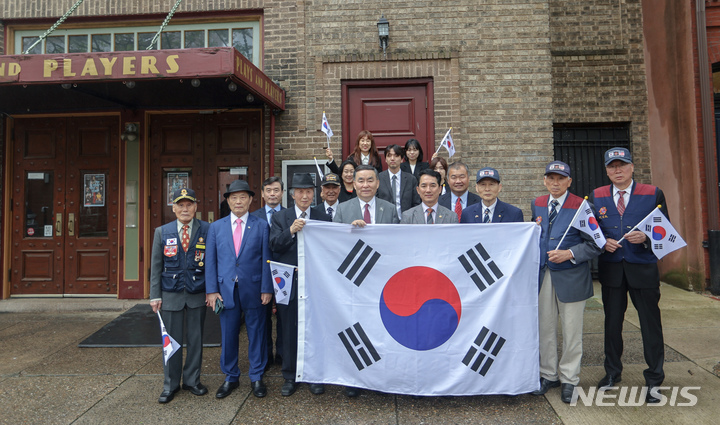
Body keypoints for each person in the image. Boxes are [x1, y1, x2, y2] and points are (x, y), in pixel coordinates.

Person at [589, 147, 668, 403]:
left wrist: (646, 237)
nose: (617, 170)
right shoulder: (596, 196)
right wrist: (602, 243)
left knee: (650, 326)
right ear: (607, 170)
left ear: (632, 167)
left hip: (642, 268)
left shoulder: (652, 193)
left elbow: (665, 232)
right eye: (612, 166)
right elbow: (591, 231)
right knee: (612, 325)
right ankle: (612, 373)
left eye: (622, 165)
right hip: (612, 269)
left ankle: (654, 379)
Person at [529, 160, 601, 404]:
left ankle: (570, 378)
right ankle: (548, 374)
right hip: (543, 275)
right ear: (544, 180)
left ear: (569, 181)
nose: (555, 183)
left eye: (560, 179)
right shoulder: (538, 203)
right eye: (551, 178)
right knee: (545, 329)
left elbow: (595, 244)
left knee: (571, 332)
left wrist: (569, 254)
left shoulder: (581, 206)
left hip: (571, 276)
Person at [205, 180, 273, 399]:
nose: (238, 201)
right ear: (227, 201)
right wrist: (212, 291)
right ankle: (231, 376)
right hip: (225, 291)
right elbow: (211, 262)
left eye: (243, 197)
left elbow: (266, 259)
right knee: (228, 335)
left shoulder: (261, 225)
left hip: (254, 288)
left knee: (257, 333)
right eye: (233, 197)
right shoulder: (216, 227)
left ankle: (256, 376)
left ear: (251, 199)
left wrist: (266, 288)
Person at [270, 173, 332, 396]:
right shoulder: (281, 218)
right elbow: (274, 244)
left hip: (315, 283)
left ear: (314, 194)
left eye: (308, 191)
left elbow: (331, 247)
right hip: (289, 283)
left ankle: (314, 375)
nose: (304, 196)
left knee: (315, 329)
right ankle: (290, 375)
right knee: (288, 330)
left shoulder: (322, 216)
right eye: (300, 192)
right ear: (292, 194)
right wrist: (290, 231)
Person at [150, 188, 210, 404]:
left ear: (195, 207)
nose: (185, 209)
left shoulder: (207, 229)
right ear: (173, 208)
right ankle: (170, 384)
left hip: (196, 292)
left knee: (196, 340)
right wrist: (154, 295)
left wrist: (211, 291)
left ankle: (192, 380)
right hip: (170, 294)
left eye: (189, 204)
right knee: (171, 342)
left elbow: (211, 264)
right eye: (180, 205)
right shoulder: (162, 231)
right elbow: (156, 266)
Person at [250, 176, 285, 369]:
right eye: (269, 190)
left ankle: (281, 354)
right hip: (260, 273)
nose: (273, 194)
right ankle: (265, 355)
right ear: (263, 194)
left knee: (283, 317)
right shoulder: (254, 218)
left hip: (285, 273)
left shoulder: (290, 215)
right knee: (262, 317)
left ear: (282, 193)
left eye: (276, 190)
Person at [334, 165, 400, 228]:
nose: (365, 185)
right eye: (361, 181)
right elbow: (336, 235)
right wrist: (349, 229)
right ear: (354, 185)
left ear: (377, 183)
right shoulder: (342, 209)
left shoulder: (390, 209)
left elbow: (395, 236)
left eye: (370, 181)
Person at [377, 144, 421, 220]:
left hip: (406, 222)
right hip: (385, 222)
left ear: (401, 159)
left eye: (396, 156)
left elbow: (416, 203)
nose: (392, 158)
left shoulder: (411, 179)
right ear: (385, 159)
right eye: (389, 156)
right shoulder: (378, 178)